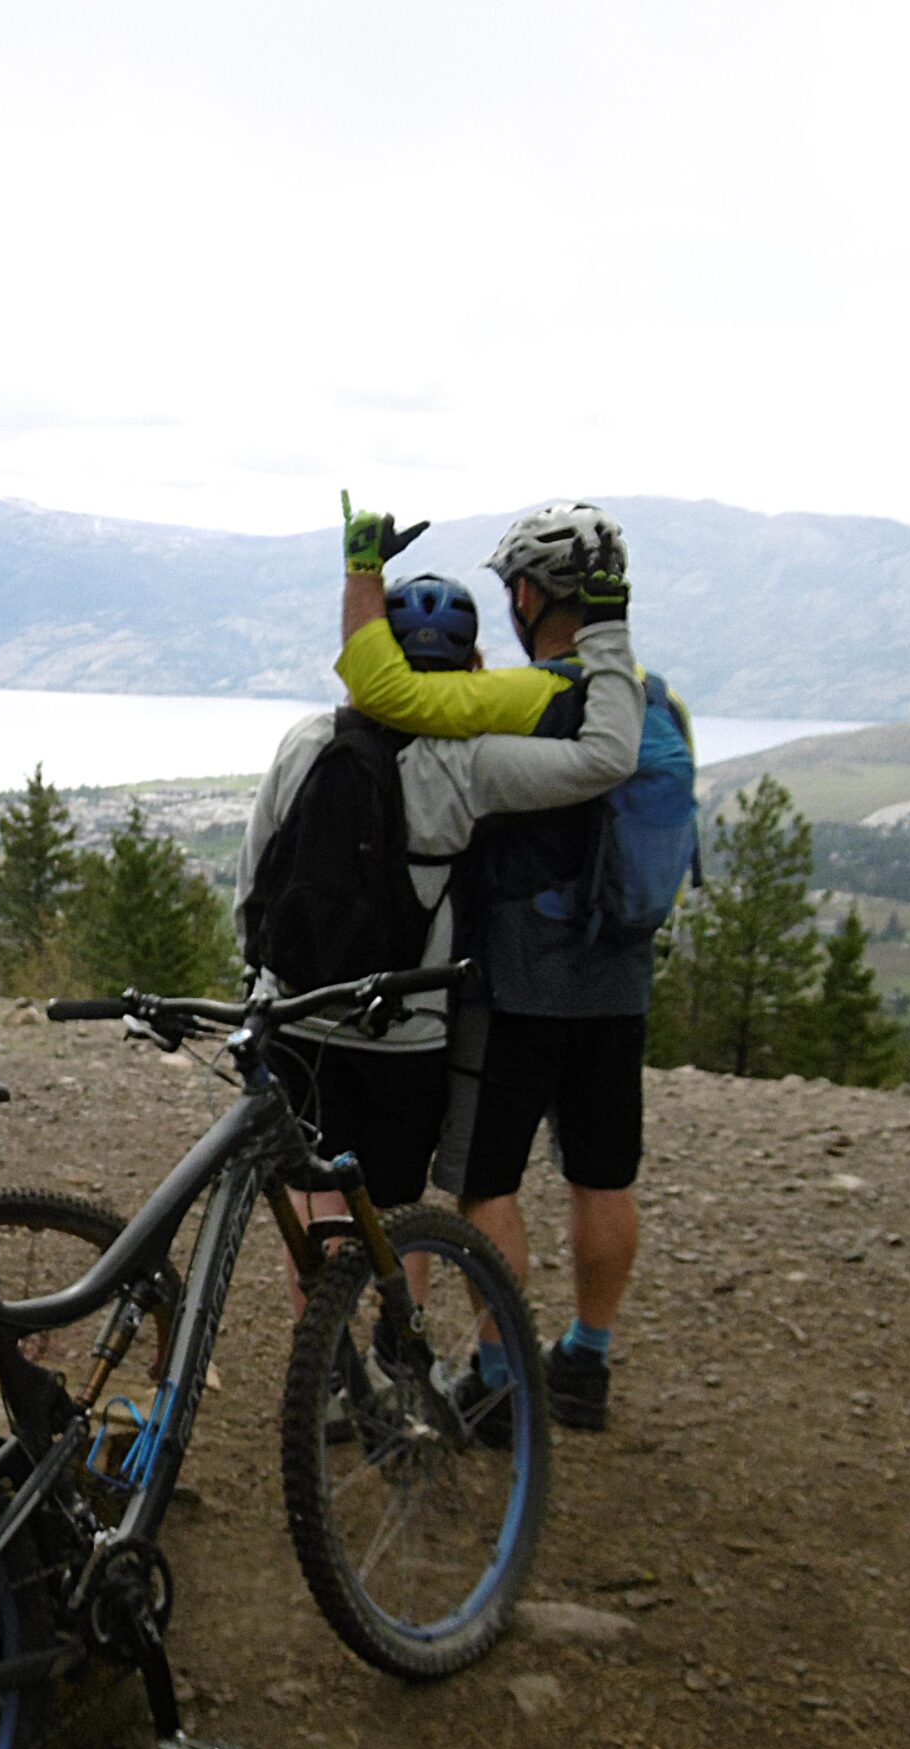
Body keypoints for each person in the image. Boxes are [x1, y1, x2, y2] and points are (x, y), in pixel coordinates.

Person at [236, 502, 642, 1385]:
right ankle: (400, 1356)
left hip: (298, 1010)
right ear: (467, 668)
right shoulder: (473, 764)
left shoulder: (304, 742)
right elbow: (599, 763)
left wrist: (261, 972)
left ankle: (329, 1378)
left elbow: (254, 876)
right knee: (392, 1202)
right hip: (408, 1029)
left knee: (314, 1195)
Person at [333, 501, 692, 1433]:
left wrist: (362, 568)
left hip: (519, 984)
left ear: (531, 595)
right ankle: (587, 1363)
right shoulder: (660, 704)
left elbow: (386, 695)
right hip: (619, 979)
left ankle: (496, 1379)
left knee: (488, 1185)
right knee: (603, 1177)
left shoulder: (537, 697)